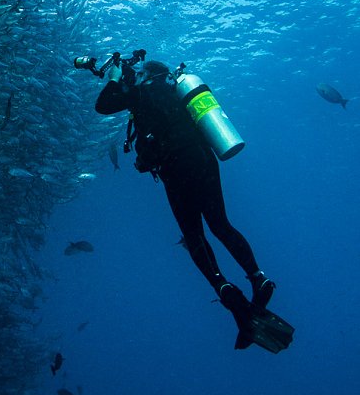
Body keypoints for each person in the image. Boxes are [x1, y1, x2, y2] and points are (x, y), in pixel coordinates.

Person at [90, 51, 284, 347]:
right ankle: (259, 278)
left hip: (175, 167)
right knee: (221, 225)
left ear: (146, 76)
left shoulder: (141, 93)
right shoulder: (177, 93)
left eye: (139, 74)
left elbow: (102, 105)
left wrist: (116, 78)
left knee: (194, 236)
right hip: (204, 160)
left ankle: (224, 287)